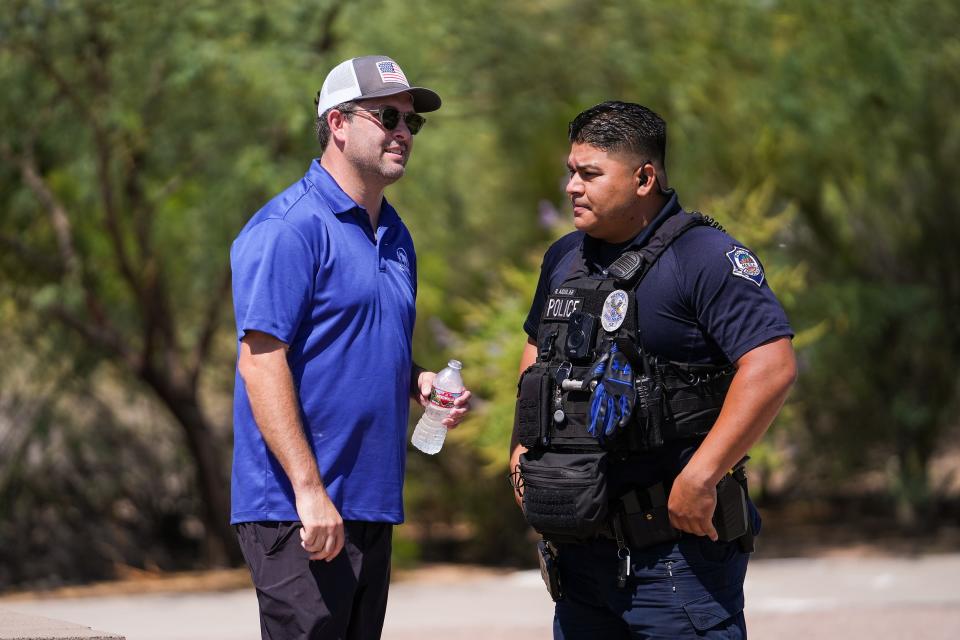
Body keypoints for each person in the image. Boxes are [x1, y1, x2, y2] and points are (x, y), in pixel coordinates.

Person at [509, 101, 796, 639]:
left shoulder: (706, 257)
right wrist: (522, 451)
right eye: (571, 171)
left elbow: (772, 365)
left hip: (676, 563)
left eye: (589, 173)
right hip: (580, 556)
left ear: (644, 178)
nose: (572, 186)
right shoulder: (565, 258)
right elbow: (537, 352)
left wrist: (701, 475)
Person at [230, 54, 471, 640]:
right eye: (388, 116)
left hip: (370, 501)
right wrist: (310, 494)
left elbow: (357, 342)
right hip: (298, 508)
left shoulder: (396, 233)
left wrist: (416, 380)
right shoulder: (289, 227)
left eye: (412, 123)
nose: (403, 134)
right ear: (338, 123)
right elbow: (261, 363)